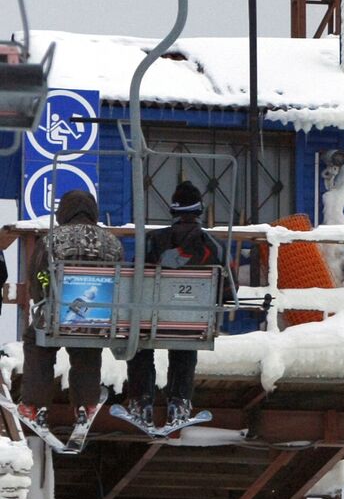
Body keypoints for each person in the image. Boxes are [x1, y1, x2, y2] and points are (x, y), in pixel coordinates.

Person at [122, 181, 235, 427]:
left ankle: (142, 401)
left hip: (151, 320)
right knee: (186, 340)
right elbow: (227, 290)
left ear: (173, 211)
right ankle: (179, 402)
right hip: (191, 322)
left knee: (140, 345)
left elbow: (133, 280)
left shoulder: (152, 241)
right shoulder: (213, 245)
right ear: (199, 210)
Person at [19, 189, 124, 432]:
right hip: (96, 317)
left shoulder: (52, 239)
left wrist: (43, 300)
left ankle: (34, 405)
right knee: (87, 346)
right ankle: (85, 405)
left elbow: (38, 276)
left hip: (57, 315)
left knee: (36, 341)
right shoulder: (111, 241)